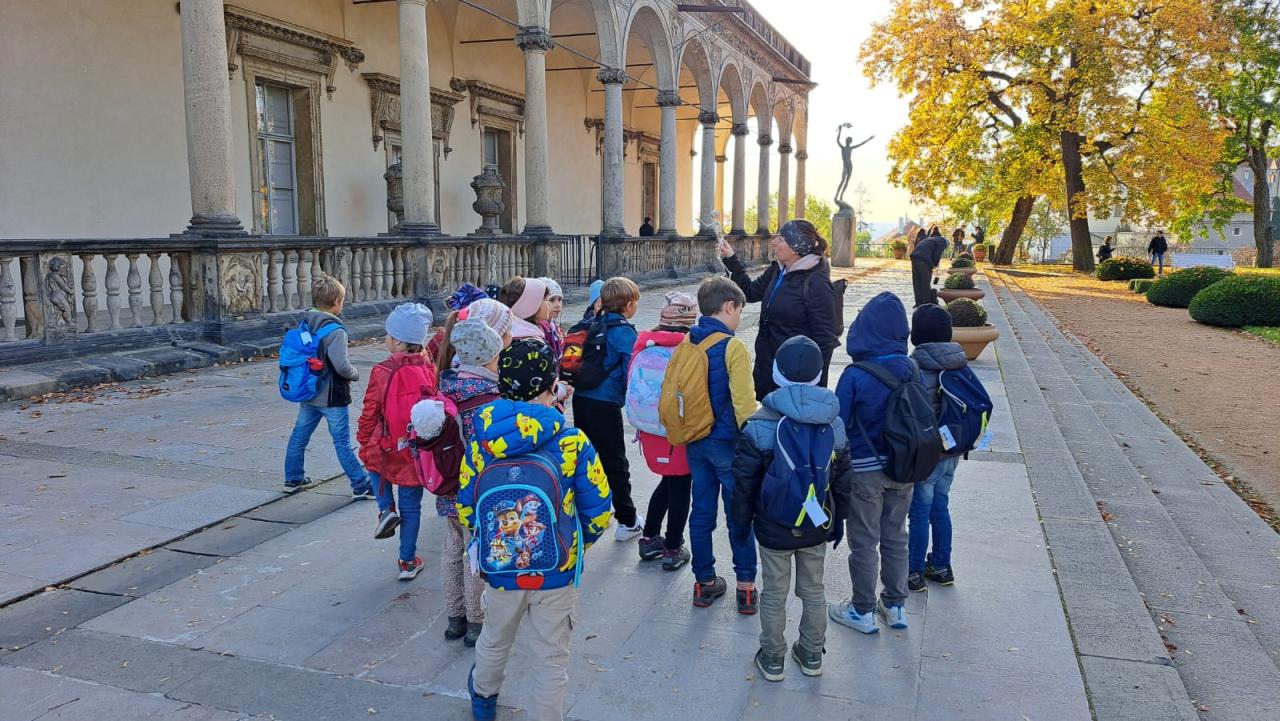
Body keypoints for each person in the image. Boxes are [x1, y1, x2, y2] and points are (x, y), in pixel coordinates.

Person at [459, 338, 614, 721]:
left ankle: (483, 700)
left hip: (500, 566)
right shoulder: (571, 441)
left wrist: (493, 539)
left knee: (494, 639)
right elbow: (598, 508)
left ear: (502, 384)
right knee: (550, 657)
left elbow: (466, 506)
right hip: (556, 569)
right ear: (552, 385)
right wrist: (574, 544)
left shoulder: (481, 441)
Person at [731, 336, 854, 682]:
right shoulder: (834, 423)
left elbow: (743, 485)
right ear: (818, 374)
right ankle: (811, 654)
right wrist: (838, 520)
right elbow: (844, 480)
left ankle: (773, 658)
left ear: (776, 372)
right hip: (816, 523)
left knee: (774, 592)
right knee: (814, 589)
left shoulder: (758, 425)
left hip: (773, 525)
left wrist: (740, 524)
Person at [829, 291, 916, 634]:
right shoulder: (911, 368)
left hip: (865, 471)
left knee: (864, 540)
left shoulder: (855, 374)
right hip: (904, 468)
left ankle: (862, 610)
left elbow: (838, 425)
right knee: (896, 535)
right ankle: (895, 606)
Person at [429, 319, 506, 646]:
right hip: (477, 489)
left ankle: (454, 617)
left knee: (452, 547)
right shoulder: (489, 397)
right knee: (476, 551)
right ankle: (476, 620)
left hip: (448, 485)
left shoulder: (445, 388)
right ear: (489, 358)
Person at [684, 277, 759, 612]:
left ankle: (704, 582)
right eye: (739, 311)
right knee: (738, 512)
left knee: (701, 512)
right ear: (729, 306)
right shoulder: (733, 347)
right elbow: (744, 403)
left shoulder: (688, 341)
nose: (739, 318)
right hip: (728, 444)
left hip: (695, 440)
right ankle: (746, 587)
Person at [356, 302, 436, 581]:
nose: (385, 339)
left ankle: (385, 509)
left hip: (387, 443)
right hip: (415, 448)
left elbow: (370, 409)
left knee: (374, 464)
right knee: (412, 507)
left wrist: (364, 438)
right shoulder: (429, 368)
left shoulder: (382, 370)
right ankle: (407, 561)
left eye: (388, 335)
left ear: (399, 341)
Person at [720, 218, 839, 400]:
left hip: (793, 377)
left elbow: (825, 340)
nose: (774, 242)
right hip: (766, 368)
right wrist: (731, 259)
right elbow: (750, 292)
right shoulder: (778, 270)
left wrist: (815, 388)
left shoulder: (816, 283)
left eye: (781, 239)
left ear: (796, 247)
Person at [283, 275, 373, 498]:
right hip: (332, 396)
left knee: (299, 436)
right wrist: (355, 374)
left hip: (308, 391)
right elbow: (341, 366)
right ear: (336, 302)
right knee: (342, 442)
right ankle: (360, 484)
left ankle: (293, 478)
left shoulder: (306, 322)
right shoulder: (335, 331)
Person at [571, 277, 644, 541]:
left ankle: (584, 514)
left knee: (586, 459)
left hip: (581, 399)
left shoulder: (591, 323)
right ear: (628, 304)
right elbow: (631, 372)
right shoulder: (623, 331)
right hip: (605, 404)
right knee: (615, 462)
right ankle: (627, 520)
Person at [631, 292, 698, 570]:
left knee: (668, 481)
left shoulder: (643, 346)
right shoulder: (689, 350)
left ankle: (649, 538)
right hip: (678, 429)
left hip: (648, 429)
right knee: (681, 485)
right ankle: (672, 547)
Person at [906, 305, 970, 592]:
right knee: (940, 506)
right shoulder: (959, 362)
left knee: (919, 511)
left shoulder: (916, 366)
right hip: (953, 449)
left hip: (927, 453)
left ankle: (914, 571)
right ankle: (942, 565)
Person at [499, 276, 551, 340]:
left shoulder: (515, 332)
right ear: (531, 307)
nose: (549, 304)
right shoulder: (529, 341)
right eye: (545, 299)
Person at [909, 226, 948, 308]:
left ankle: (918, 303)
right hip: (923, 260)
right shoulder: (942, 242)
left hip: (914, 257)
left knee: (917, 282)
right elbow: (937, 254)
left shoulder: (932, 239)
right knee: (925, 282)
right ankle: (926, 304)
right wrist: (935, 264)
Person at [536, 277, 566, 363]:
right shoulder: (540, 328)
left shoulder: (553, 325)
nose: (558, 305)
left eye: (560, 300)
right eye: (552, 300)